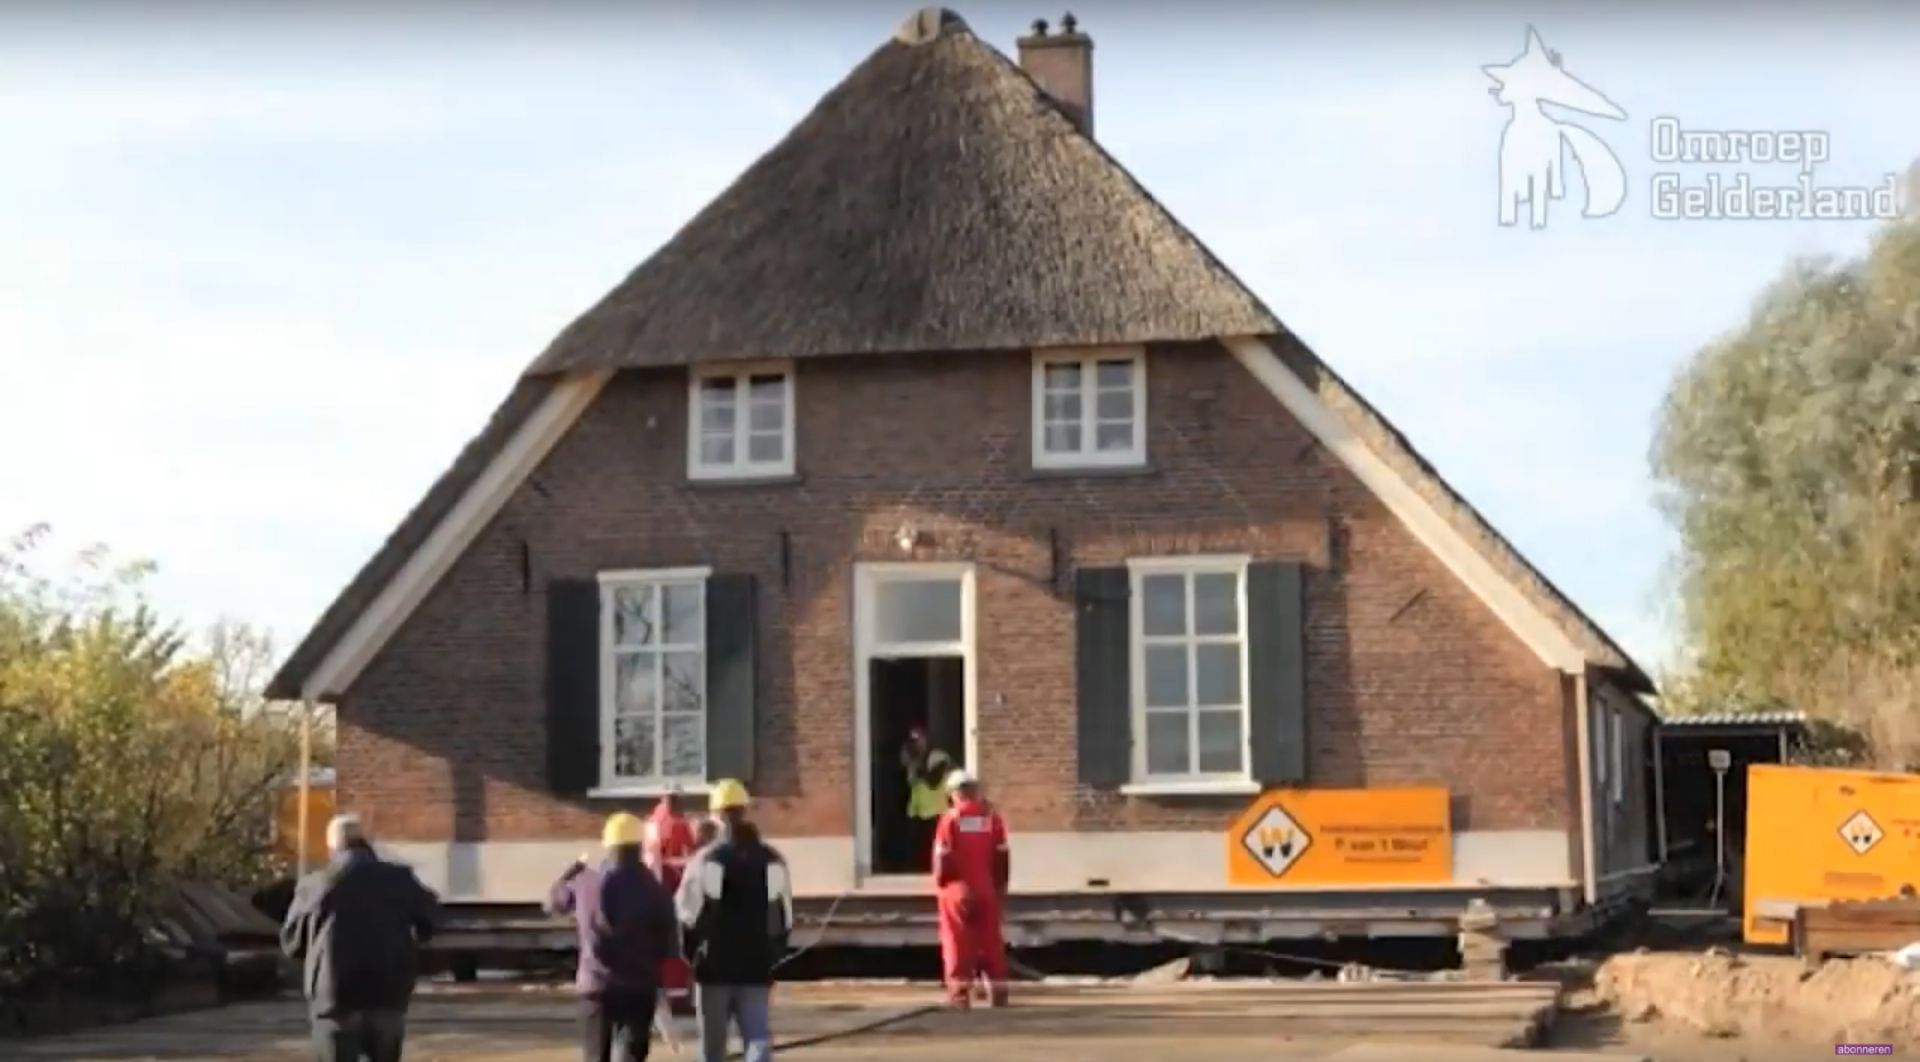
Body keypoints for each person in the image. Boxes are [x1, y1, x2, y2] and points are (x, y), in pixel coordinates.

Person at [280, 813, 440, 1062]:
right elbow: (431, 923)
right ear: (363, 839)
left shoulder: (315, 885)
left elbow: (291, 943)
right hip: (387, 994)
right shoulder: (399, 879)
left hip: (334, 999)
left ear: (332, 845)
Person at [676, 779, 793, 1062]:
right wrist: (772, 957)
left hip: (713, 969)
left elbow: (685, 914)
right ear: (745, 810)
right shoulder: (772, 859)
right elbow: (784, 918)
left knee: (712, 1051)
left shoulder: (703, 861)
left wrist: (692, 958)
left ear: (715, 815)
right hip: (755, 967)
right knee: (758, 1041)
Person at [548, 812, 680, 1062]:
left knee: (596, 1056)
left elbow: (553, 904)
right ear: (640, 847)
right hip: (640, 987)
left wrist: (569, 872)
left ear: (608, 846)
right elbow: (669, 946)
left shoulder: (586, 882)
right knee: (631, 1055)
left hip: (595, 987)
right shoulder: (656, 889)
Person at [931, 768, 1010, 1009]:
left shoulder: (950, 820)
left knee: (957, 942)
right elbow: (1002, 857)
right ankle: (998, 994)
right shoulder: (992, 819)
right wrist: (998, 886)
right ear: (976, 791)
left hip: (956, 891)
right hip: (986, 889)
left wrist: (942, 883)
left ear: (954, 793)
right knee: (990, 942)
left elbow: (942, 859)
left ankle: (960, 996)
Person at [644, 795, 699, 1017]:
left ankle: (670, 993)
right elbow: (689, 853)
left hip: (666, 884)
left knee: (669, 940)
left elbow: (652, 857)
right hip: (676, 882)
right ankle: (680, 994)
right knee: (680, 939)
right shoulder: (683, 823)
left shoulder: (653, 824)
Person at [900, 727, 954, 871]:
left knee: (936, 844)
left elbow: (933, 781)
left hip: (938, 811)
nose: (917, 744)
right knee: (917, 846)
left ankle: (935, 868)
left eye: (919, 740)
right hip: (918, 812)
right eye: (914, 741)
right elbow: (912, 786)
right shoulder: (914, 760)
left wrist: (917, 768)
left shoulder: (938, 757)